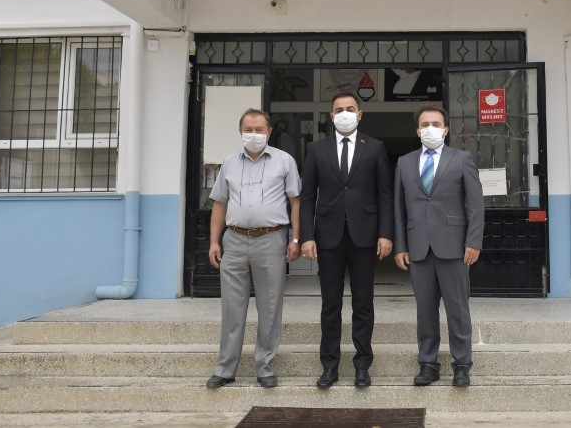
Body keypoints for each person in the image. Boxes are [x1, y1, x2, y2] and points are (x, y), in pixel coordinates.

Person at [300, 92, 393, 389]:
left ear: (360, 114)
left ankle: (362, 365)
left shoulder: (375, 147)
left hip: (364, 235)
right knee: (331, 304)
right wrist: (306, 236)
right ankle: (329, 366)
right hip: (328, 237)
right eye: (339, 109)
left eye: (350, 109)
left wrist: (385, 233)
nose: (344, 113)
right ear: (331, 116)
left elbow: (385, 194)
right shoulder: (317, 149)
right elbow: (307, 196)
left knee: (363, 303)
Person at [205, 108, 301, 390]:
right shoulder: (229, 163)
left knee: (269, 307)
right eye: (249, 129)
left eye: (259, 129)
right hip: (234, 240)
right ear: (240, 132)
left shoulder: (285, 161)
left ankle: (265, 367)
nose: (254, 134)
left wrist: (295, 239)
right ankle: (225, 369)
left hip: (271, 239)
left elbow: (295, 201)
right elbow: (219, 203)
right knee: (232, 308)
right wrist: (214, 241)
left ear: (269, 132)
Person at [393, 105, 484, 387]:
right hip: (418, 247)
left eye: (435, 124)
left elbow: (476, 205)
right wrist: (400, 246)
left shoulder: (462, 159)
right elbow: (398, 208)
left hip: (454, 247)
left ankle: (462, 365)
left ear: (445, 129)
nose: (430, 128)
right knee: (425, 311)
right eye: (425, 124)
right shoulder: (404, 162)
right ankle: (428, 364)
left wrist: (473, 241)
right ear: (417, 130)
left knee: (458, 309)